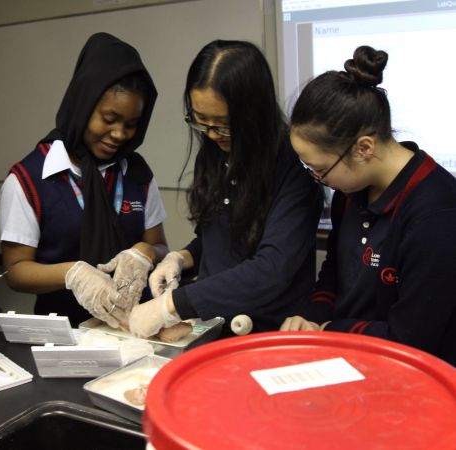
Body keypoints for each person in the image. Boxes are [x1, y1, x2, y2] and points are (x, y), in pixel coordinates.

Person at [128, 40, 322, 338]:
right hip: (216, 324)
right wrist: (181, 257)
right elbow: (218, 236)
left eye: (223, 123)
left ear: (253, 113)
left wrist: (171, 305)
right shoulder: (218, 149)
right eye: (201, 120)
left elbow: (271, 268)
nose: (211, 133)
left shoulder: (293, 167)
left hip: (268, 331)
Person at [279, 46, 456, 366]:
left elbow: (412, 338)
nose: (319, 179)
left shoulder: (436, 214)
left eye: (321, 170)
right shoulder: (352, 190)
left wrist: (331, 330)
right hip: (348, 356)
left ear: (363, 147)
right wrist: (311, 317)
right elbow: (334, 273)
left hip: (409, 372)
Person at [0, 32, 168, 328]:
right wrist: (72, 274)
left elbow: (160, 246)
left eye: (131, 125)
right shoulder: (30, 179)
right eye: (109, 118)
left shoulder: (136, 173)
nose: (119, 134)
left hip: (134, 328)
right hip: (65, 332)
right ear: (83, 104)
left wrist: (146, 252)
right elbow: (16, 271)